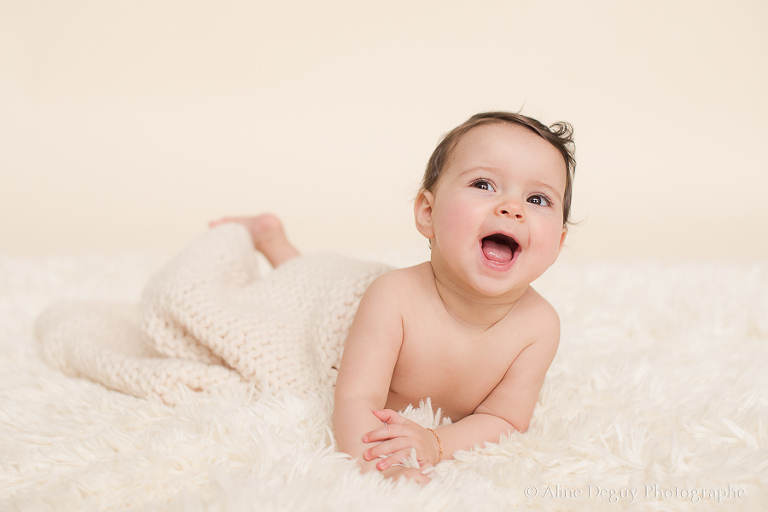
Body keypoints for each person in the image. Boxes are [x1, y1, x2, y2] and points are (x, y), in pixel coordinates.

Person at [211, 111, 575, 483]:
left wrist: (435, 442)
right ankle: (273, 242)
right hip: (331, 296)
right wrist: (380, 466)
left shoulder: (538, 327)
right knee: (290, 291)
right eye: (484, 184)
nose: (512, 208)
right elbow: (356, 398)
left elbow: (505, 418)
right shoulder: (393, 297)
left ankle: (275, 242)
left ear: (559, 243)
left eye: (537, 198)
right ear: (428, 212)